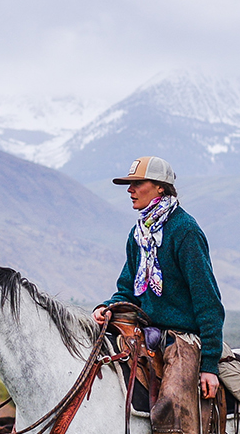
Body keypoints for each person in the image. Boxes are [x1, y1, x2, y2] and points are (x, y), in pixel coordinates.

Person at [92, 156, 224, 399]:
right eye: (128, 185)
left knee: (172, 406)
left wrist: (209, 366)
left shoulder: (185, 231)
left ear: (160, 186)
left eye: (138, 183)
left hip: (182, 338)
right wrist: (108, 306)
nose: (130, 190)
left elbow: (208, 301)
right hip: (145, 333)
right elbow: (128, 289)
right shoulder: (138, 234)